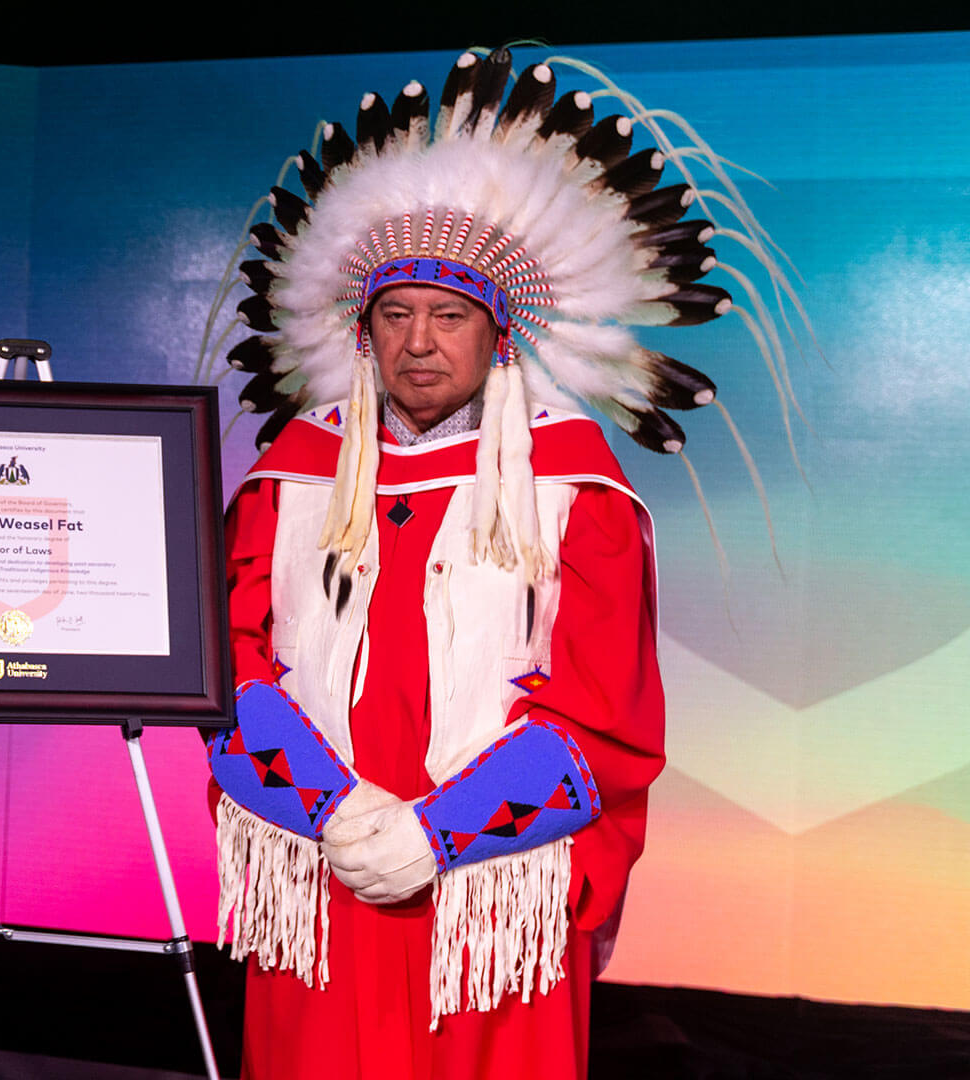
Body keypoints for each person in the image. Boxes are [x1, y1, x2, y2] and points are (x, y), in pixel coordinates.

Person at [203, 49, 798, 1078]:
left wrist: (437, 834)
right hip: (320, 872)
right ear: (363, 331)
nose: (420, 344)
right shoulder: (290, 481)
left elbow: (602, 712)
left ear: (498, 334)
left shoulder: (574, 490)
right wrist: (332, 807)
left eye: (450, 316)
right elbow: (227, 668)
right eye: (397, 316)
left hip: (484, 894)